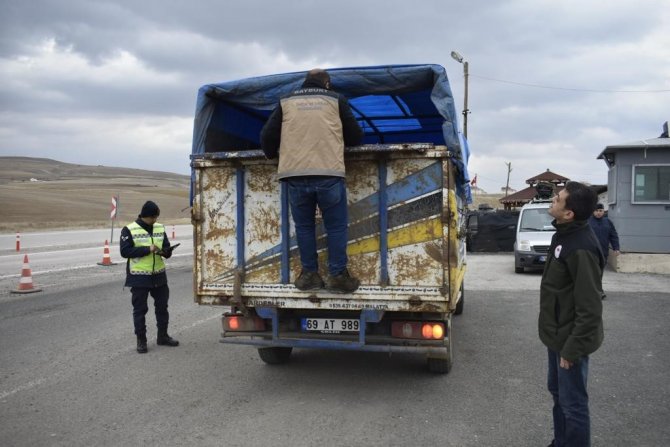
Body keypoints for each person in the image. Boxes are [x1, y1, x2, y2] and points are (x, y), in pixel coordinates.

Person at [260, 68, 364, 293]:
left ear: (305, 82)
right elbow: (355, 136)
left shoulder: (286, 101)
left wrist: (271, 155)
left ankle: (309, 275)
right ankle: (337, 277)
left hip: (295, 175)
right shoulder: (336, 100)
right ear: (327, 83)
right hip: (328, 173)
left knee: (305, 227)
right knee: (336, 227)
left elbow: (267, 135)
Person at [539, 182, 605, 447]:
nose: (553, 200)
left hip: (570, 341)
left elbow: (590, 308)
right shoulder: (564, 234)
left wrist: (572, 349)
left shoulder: (581, 248)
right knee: (558, 395)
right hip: (557, 335)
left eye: (558, 199)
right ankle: (561, 442)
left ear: (569, 214)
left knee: (573, 403)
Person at [120, 201, 179, 353]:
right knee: (140, 310)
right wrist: (147, 249)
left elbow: (166, 246)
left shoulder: (159, 227)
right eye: (154, 217)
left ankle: (163, 336)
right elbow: (125, 252)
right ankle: (141, 341)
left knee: (162, 307)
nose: (155, 220)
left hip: (159, 275)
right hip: (139, 277)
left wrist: (167, 251)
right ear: (146, 216)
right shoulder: (128, 229)